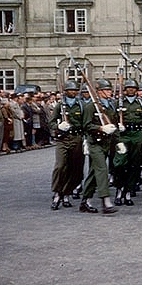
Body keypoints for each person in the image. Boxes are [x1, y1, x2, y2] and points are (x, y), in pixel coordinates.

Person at [80, 79, 118, 214]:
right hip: (95, 142)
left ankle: (85, 200)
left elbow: (115, 124)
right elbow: (86, 125)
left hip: (107, 143)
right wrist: (101, 128)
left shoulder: (111, 105)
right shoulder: (91, 106)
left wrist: (118, 142)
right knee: (102, 169)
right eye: (107, 90)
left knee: (93, 172)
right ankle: (105, 200)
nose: (110, 92)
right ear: (100, 92)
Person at [112, 79, 142, 206]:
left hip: (137, 135)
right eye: (128, 88)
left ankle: (128, 191)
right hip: (123, 136)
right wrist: (117, 131)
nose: (131, 90)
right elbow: (112, 120)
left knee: (134, 165)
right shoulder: (117, 103)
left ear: (137, 90)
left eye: (133, 88)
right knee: (119, 164)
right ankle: (119, 190)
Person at [49, 80, 85, 209]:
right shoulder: (60, 106)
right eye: (71, 90)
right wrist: (59, 126)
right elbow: (51, 122)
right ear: (65, 92)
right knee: (60, 166)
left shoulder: (81, 105)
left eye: (75, 90)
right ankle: (57, 192)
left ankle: (66, 192)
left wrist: (86, 140)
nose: (73, 92)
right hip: (63, 139)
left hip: (77, 138)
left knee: (75, 169)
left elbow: (85, 123)